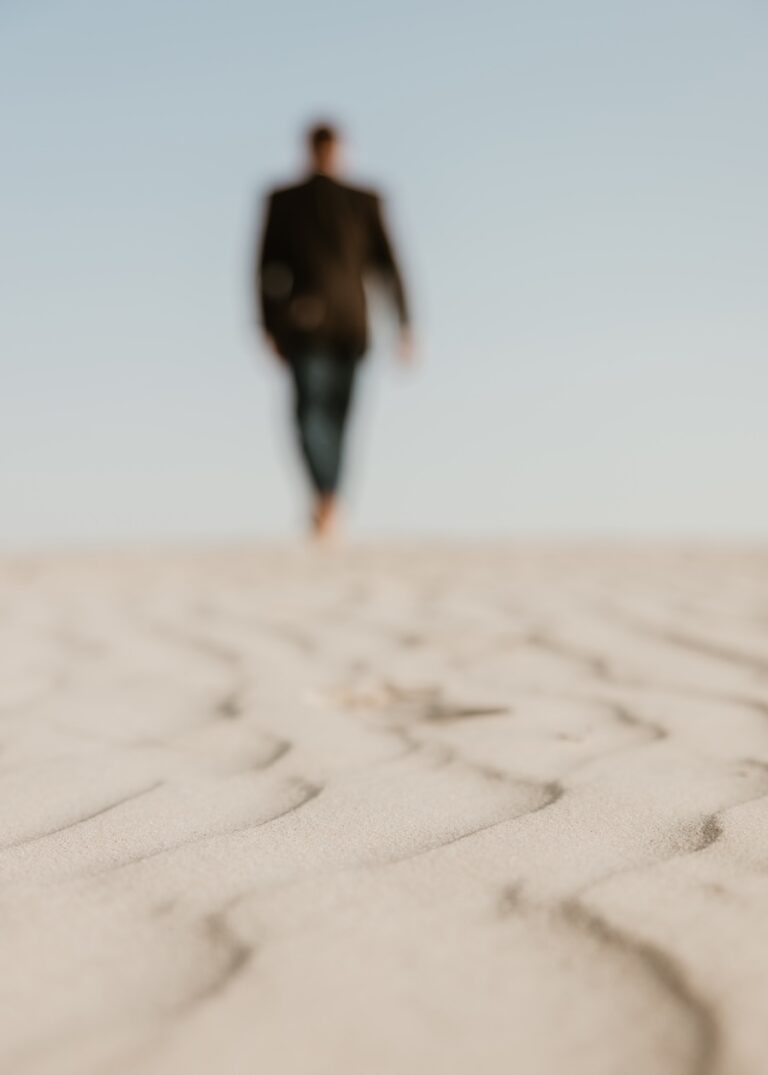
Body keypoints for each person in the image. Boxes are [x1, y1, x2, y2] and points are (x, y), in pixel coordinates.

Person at [256, 121, 412, 539]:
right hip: (303, 326)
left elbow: (389, 265)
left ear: (343, 151)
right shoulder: (284, 201)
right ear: (308, 151)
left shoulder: (364, 201)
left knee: (341, 420)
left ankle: (330, 499)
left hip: (352, 326)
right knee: (308, 415)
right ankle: (324, 497)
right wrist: (268, 325)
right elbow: (265, 266)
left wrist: (405, 323)